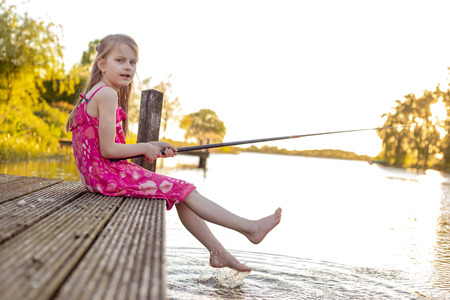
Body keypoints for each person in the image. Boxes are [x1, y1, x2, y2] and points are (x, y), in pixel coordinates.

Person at [65, 34, 282, 272]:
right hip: (106, 178)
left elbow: (105, 149)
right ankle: (250, 228)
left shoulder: (96, 92)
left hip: (98, 177)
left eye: (133, 62)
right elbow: (108, 150)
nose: (128, 67)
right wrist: (144, 148)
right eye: (120, 60)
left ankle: (218, 253)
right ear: (102, 63)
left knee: (180, 192)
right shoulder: (107, 94)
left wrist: (152, 145)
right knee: (185, 189)